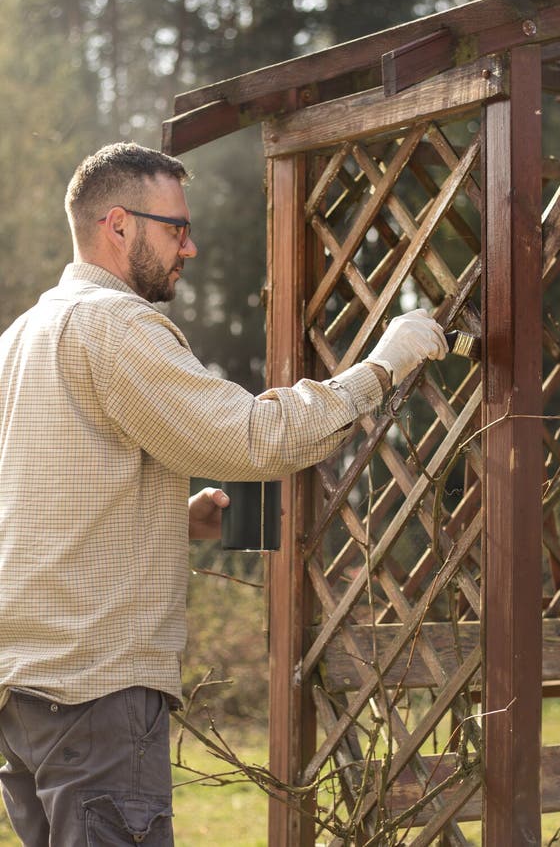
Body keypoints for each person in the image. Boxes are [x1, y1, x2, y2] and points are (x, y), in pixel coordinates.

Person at [0, 142, 447, 846]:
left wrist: (172, 521)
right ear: (118, 225)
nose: (192, 247)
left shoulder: (23, 336)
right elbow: (255, 439)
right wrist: (382, 367)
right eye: (176, 227)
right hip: (98, 697)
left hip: (27, 695)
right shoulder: (115, 326)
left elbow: (35, 507)